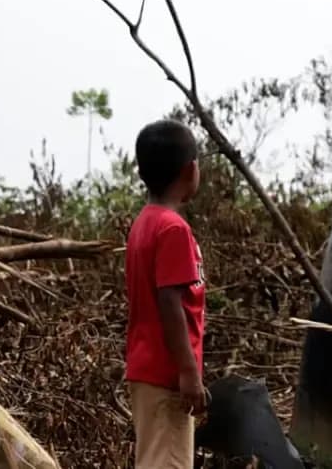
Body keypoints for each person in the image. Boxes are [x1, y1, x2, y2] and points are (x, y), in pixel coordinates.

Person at [124, 119, 208, 468]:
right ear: (191, 170)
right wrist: (188, 373)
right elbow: (170, 303)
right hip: (166, 375)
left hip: (148, 370)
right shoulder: (173, 229)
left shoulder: (146, 222)